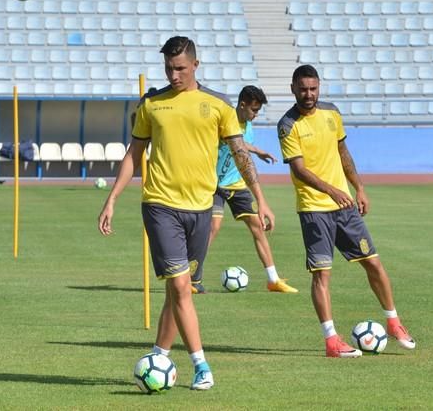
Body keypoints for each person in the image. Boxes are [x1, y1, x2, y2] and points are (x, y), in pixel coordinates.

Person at [98, 36, 274, 390]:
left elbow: (240, 153)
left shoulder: (218, 105)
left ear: (195, 65)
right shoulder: (152, 104)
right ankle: (201, 365)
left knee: (181, 291)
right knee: (180, 285)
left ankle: (160, 353)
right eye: (168, 68)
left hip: (202, 208)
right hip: (161, 205)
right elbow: (135, 154)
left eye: (180, 68)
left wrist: (261, 198)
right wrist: (113, 198)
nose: (174, 75)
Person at [277, 65, 416, 358]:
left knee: (374, 263)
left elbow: (343, 153)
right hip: (314, 210)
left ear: (319, 88)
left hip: (344, 208)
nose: (309, 95)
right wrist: (332, 190)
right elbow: (299, 170)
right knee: (322, 276)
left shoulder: (332, 113)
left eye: (313, 89)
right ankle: (331, 341)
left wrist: (359, 187)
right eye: (303, 89)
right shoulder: (287, 125)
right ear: (293, 89)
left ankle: (393, 321)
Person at [191, 85, 298, 294]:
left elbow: (242, 148)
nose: (255, 115)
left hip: (237, 185)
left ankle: (273, 280)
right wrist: (256, 150)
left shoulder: (248, 124)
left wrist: (257, 152)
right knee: (213, 227)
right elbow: (232, 141)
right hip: (214, 185)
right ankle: (192, 278)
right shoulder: (225, 118)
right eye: (254, 110)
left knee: (258, 225)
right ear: (242, 105)